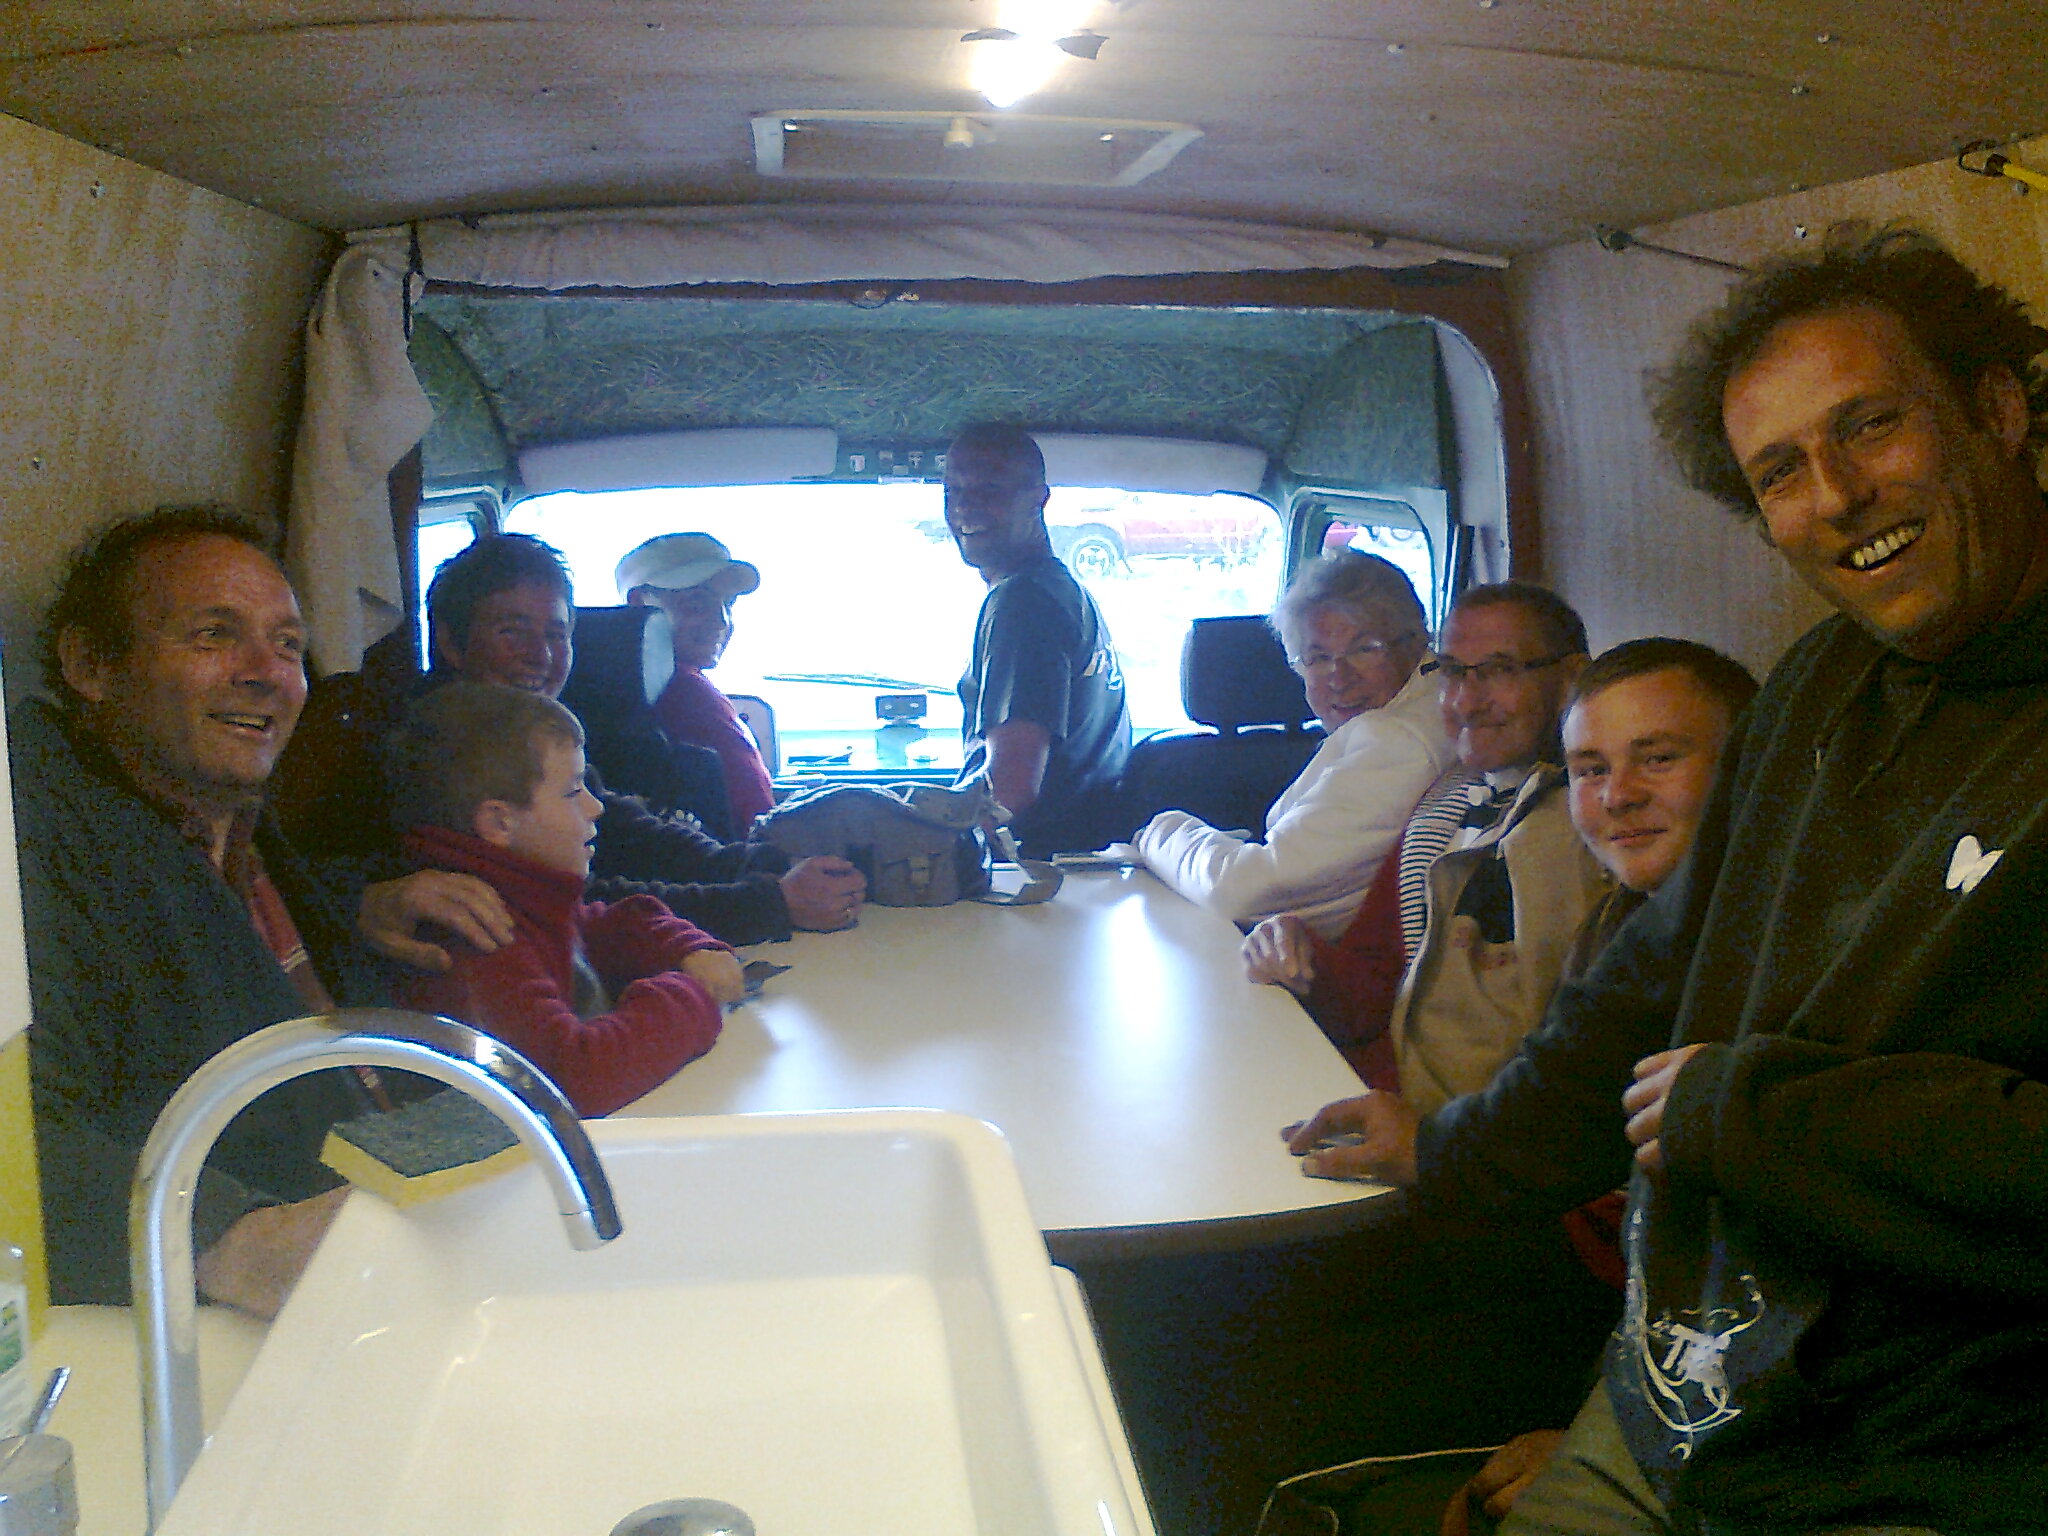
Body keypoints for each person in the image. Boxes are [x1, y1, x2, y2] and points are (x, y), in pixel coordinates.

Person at [1296, 225, 2048, 1534]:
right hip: (1680, 1388)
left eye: (1869, 425)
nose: (1836, 495)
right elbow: (1653, 977)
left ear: (1996, 409)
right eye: (1780, 471)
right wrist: (1453, 1147)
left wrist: (1760, 1115)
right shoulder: (1820, 686)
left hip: (1923, 1465)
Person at [14, 507, 516, 1315]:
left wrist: (366, 902)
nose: (267, 673)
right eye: (214, 635)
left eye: (287, 645)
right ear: (90, 664)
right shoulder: (35, 846)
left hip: (407, 1230)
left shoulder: (234, 832)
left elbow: (221, 940)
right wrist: (233, 1239)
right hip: (262, 1307)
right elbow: (23, 1128)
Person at [1244, 583, 1603, 1107]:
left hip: (1463, 1130)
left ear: (1572, 677)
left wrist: (1429, 1139)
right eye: (1453, 672)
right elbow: (1374, 986)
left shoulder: (1593, 823)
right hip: (1385, 1096)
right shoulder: (1445, 799)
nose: (1466, 702)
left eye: (1499, 670)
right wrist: (1295, 948)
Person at [424, 535, 866, 942]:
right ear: (451, 642)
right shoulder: (440, 756)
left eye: (556, 635)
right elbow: (578, 905)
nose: (540, 655)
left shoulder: (531, 734)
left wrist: (772, 862)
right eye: (511, 632)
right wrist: (770, 903)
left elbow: (629, 834)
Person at [387, 682, 741, 1117]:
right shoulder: (475, 929)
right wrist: (691, 997)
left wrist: (684, 947)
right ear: (499, 822)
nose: (595, 806)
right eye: (573, 791)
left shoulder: (523, 896)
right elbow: (571, 1076)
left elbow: (598, 928)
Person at [1137, 549, 1453, 935]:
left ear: (1415, 644)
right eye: (1317, 658)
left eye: (1364, 649)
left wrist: (1159, 830)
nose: (1339, 678)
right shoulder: (1421, 710)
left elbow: (1240, 889)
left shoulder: (1397, 741)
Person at [942, 423, 1132, 854]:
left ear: (1038, 498)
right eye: (954, 490)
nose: (965, 507)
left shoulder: (1022, 603)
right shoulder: (1063, 591)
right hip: (1078, 865)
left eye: (990, 489)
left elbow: (1008, 790)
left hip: (1028, 871)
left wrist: (919, 841)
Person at [615, 531, 776, 834]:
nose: (722, 621)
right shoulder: (687, 693)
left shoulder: (619, 686)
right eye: (696, 603)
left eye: (728, 603)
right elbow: (759, 823)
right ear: (639, 603)